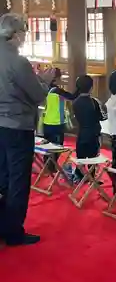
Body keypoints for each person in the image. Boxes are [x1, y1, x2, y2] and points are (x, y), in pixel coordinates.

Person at [0, 13, 55, 246]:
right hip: (17, 125)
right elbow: (37, 94)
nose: (24, 37)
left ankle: (3, 224)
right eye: (24, 32)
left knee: (2, 176)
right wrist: (45, 79)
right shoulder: (18, 61)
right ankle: (13, 231)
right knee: (19, 178)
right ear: (16, 34)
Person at [72, 75, 107, 181]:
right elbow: (103, 117)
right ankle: (92, 177)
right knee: (93, 157)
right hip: (93, 134)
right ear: (91, 87)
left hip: (81, 132)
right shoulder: (94, 101)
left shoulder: (75, 102)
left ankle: (80, 176)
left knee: (81, 157)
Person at [42, 68, 78, 146]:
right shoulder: (57, 91)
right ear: (56, 78)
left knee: (47, 148)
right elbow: (72, 97)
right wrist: (80, 87)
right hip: (57, 123)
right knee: (56, 148)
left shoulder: (44, 89)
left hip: (47, 122)